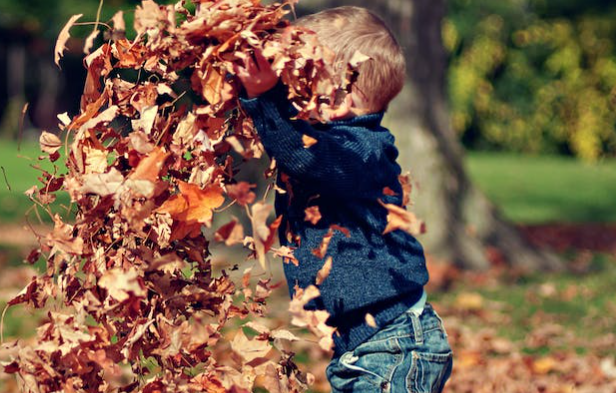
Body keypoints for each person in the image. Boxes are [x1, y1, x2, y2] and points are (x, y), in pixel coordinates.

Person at [235, 6, 452, 392]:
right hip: (368, 349)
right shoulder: (340, 145)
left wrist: (262, 99)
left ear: (339, 97)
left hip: (394, 347)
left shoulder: (360, 152)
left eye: (299, 82)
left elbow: (304, 155)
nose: (287, 92)